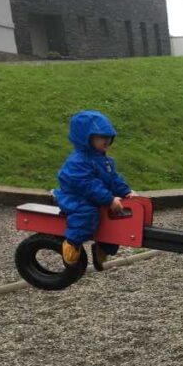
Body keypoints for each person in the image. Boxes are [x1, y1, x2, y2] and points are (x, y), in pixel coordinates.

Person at [54, 110, 134, 270]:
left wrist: (126, 192)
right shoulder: (78, 161)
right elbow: (87, 185)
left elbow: (113, 179)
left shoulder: (104, 160)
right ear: (86, 138)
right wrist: (109, 199)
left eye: (109, 137)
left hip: (97, 196)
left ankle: (103, 247)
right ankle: (72, 243)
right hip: (77, 197)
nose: (107, 140)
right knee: (86, 214)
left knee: (117, 217)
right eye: (101, 137)